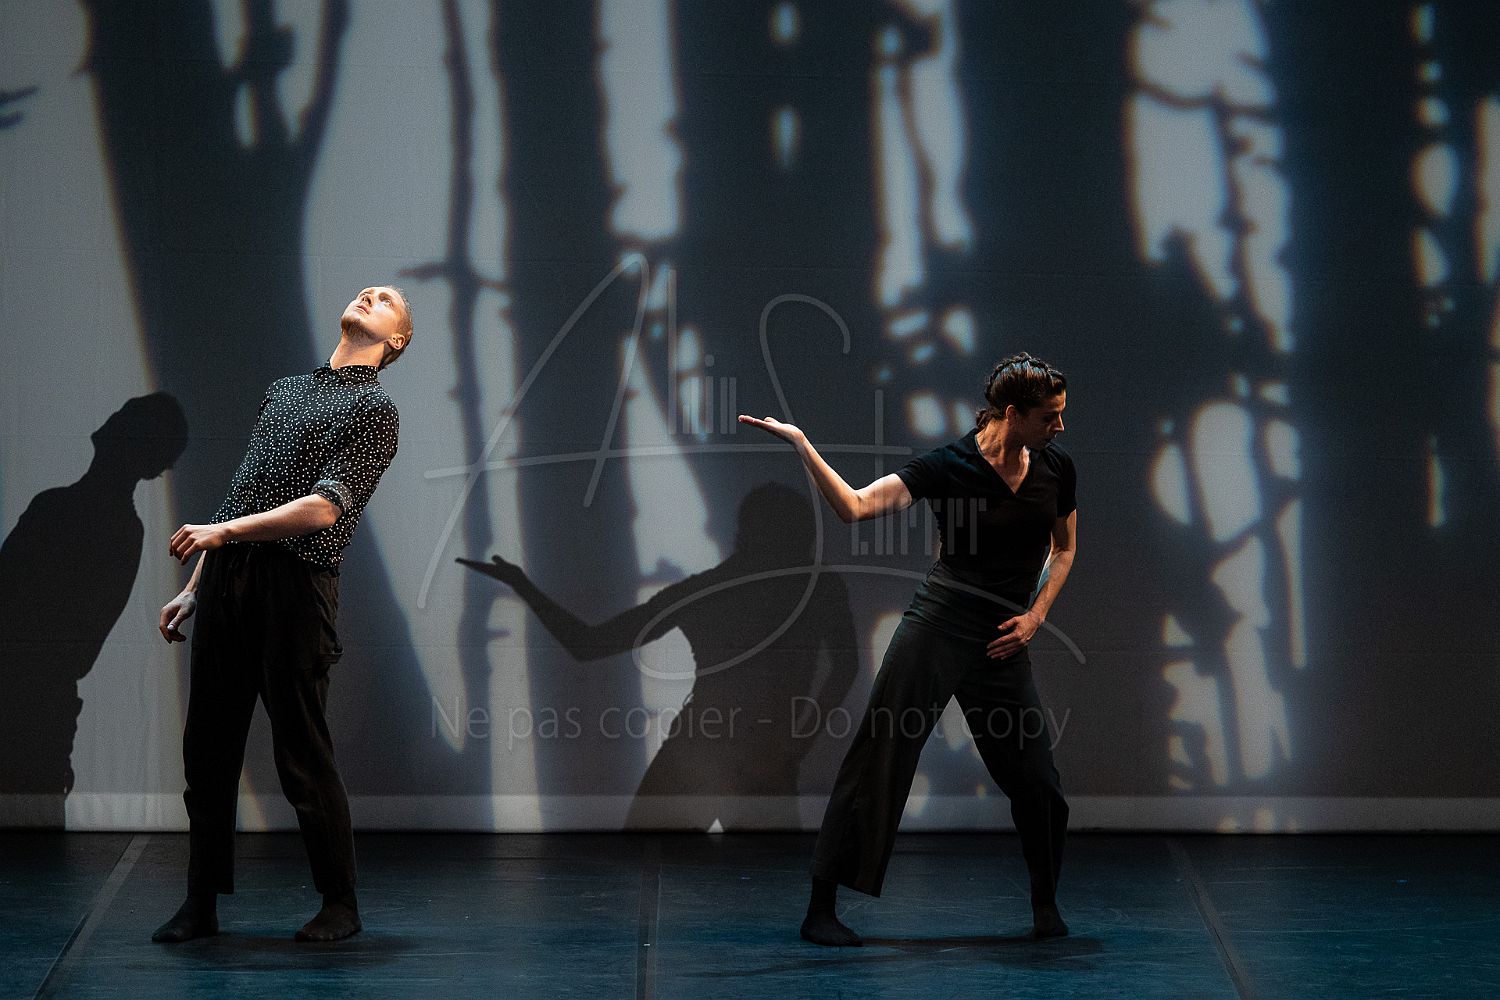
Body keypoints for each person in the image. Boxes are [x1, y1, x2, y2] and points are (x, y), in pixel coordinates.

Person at [739, 352, 1077, 945]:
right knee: (881, 755)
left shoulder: (1056, 468)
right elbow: (855, 507)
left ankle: (1045, 905)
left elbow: (1065, 548)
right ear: (1011, 413)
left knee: (1038, 781)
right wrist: (801, 444)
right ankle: (820, 909)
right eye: (1049, 416)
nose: (1060, 426)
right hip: (940, 625)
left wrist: (1036, 616)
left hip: (1002, 639)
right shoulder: (949, 466)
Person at [150, 286, 411, 944]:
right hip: (230, 581)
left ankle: (340, 903)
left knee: (301, 753)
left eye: (386, 301)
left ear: (396, 341)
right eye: (367, 291)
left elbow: (324, 508)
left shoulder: (374, 408)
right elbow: (246, 492)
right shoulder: (286, 390)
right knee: (207, 751)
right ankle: (200, 902)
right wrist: (197, 588)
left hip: (294, 589)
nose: (370, 295)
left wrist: (223, 533)